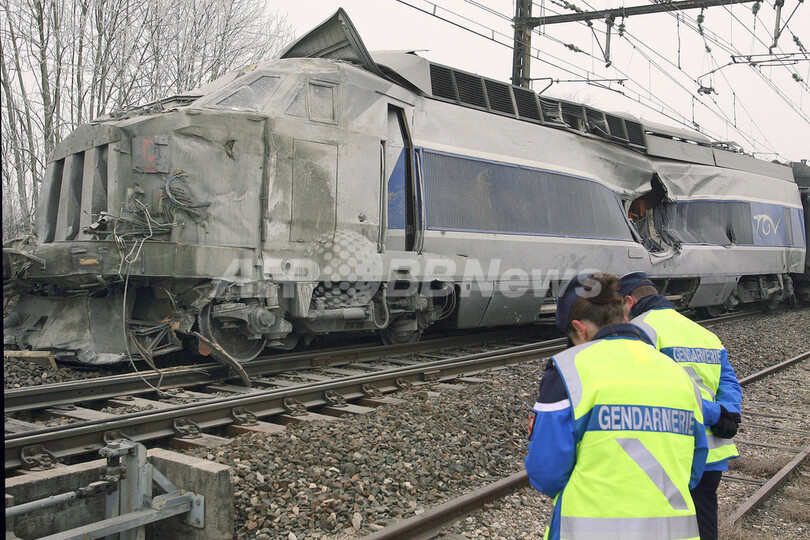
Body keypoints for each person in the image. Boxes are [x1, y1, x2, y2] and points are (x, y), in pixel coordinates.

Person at [525, 272, 708, 540]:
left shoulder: (568, 370)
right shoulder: (679, 375)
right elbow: (695, 466)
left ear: (579, 329)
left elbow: (546, 472)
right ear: (624, 317)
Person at [619, 272, 742, 540]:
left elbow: (656, 390)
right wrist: (726, 414)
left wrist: (712, 414)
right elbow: (729, 383)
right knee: (703, 525)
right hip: (711, 455)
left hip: (667, 451)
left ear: (629, 302)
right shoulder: (703, 333)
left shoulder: (639, 331)